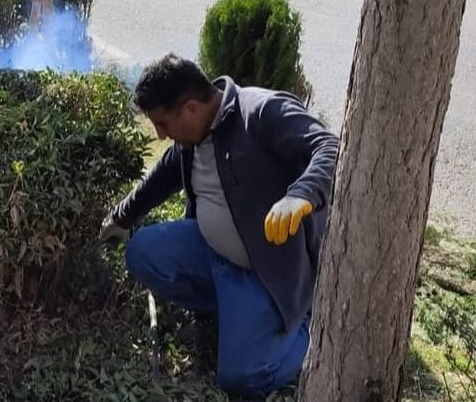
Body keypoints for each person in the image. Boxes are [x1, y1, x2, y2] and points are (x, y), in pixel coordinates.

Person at [98, 54, 339, 399]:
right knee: (142, 253)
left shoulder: (259, 111)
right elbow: (162, 176)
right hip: (214, 253)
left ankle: (304, 328)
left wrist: (300, 194)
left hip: (267, 271)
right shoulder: (191, 139)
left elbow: (328, 146)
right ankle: (230, 312)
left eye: (163, 124)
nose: (160, 135)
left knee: (243, 378)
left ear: (191, 109)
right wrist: (119, 218)